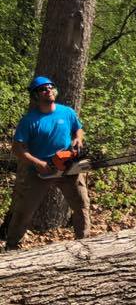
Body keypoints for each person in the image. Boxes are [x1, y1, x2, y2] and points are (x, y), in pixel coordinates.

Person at [4, 76, 91, 251]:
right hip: (40, 170)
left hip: (68, 165)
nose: (48, 90)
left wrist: (78, 139)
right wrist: (38, 163)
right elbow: (17, 148)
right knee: (24, 211)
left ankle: (85, 242)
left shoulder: (67, 112)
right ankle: (12, 247)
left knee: (81, 204)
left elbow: (78, 129)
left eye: (50, 87)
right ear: (36, 95)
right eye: (43, 89)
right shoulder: (29, 121)